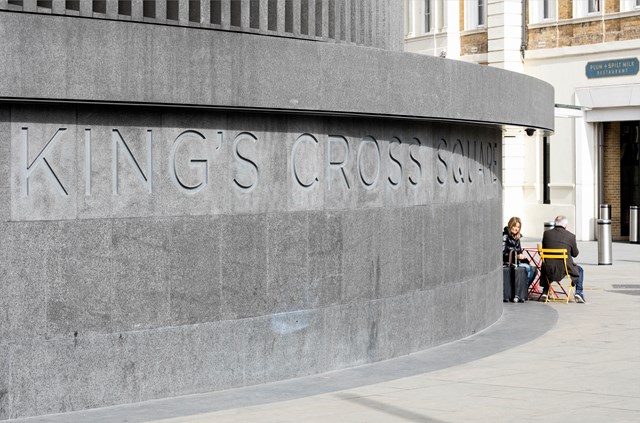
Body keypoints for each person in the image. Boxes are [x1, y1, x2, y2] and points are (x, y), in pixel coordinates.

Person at [541, 215, 585, 303]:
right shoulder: (570, 236)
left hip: (548, 268)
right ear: (565, 225)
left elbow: (544, 247)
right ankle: (579, 293)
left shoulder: (547, 234)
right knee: (580, 270)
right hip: (564, 268)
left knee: (550, 265)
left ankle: (545, 292)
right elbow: (575, 254)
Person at [502, 217, 537, 300]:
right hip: (507, 262)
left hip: (516, 262)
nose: (516, 229)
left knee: (534, 270)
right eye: (514, 226)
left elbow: (519, 251)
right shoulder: (505, 236)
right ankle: (522, 290)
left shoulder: (517, 238)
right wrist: (516, 256)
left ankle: (523, 289)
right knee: (528, 268)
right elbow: (502, 253)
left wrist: (521, 256)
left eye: (518, 227)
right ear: (510, 225)